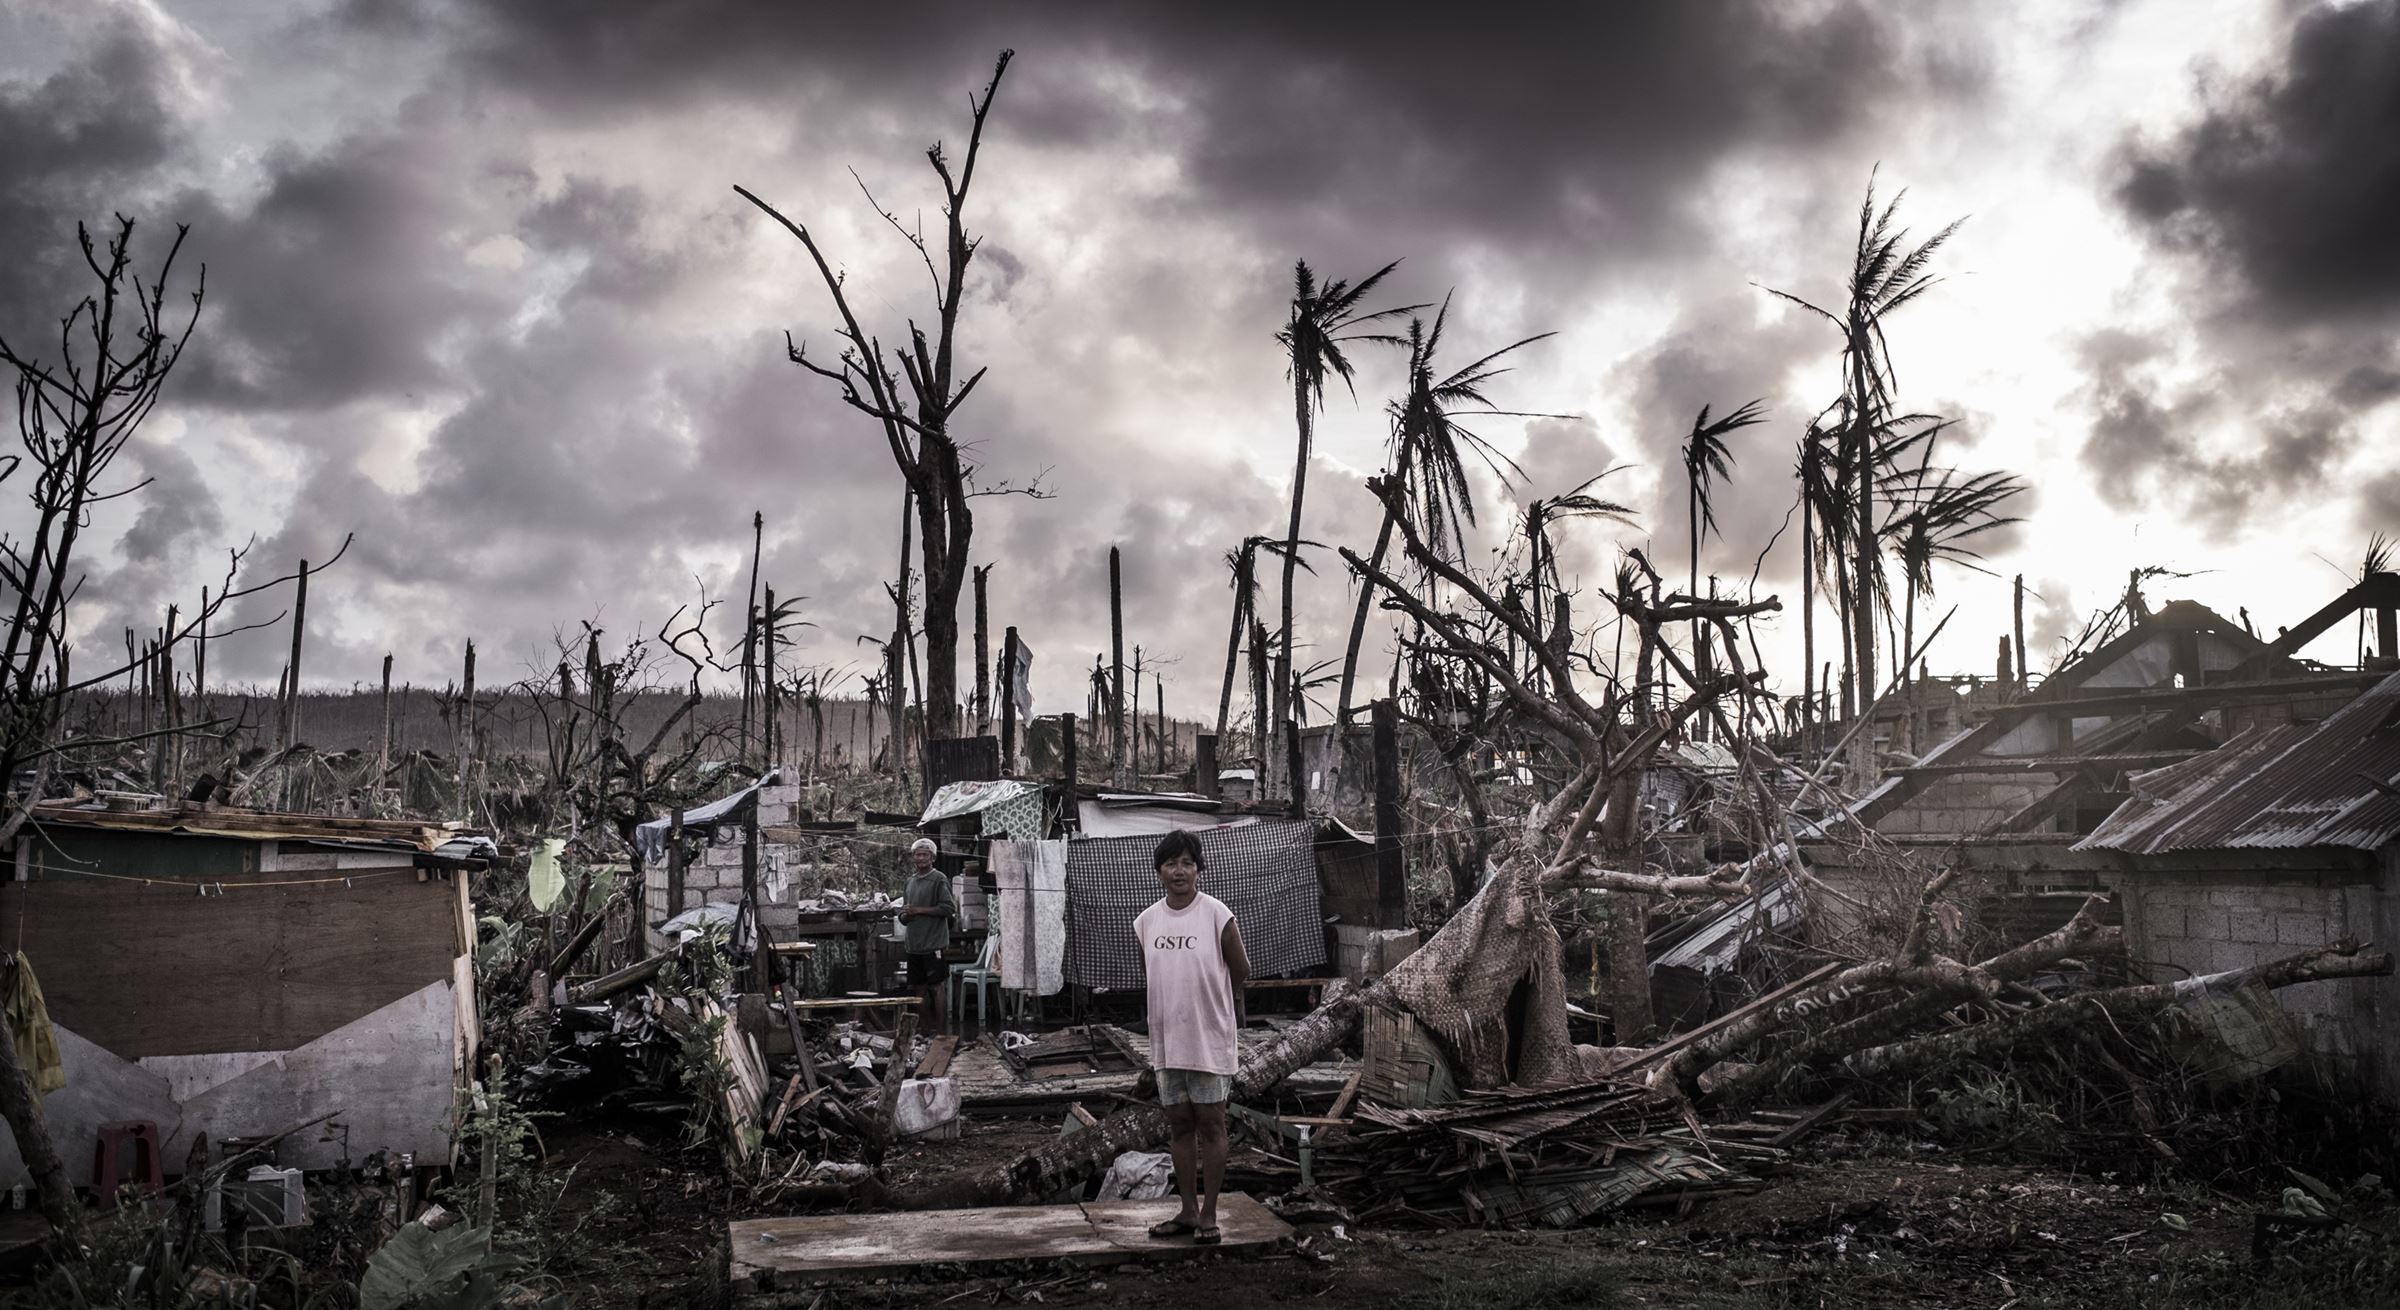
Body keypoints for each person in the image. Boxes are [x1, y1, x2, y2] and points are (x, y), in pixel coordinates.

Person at [1136, 828, 1249, 1245]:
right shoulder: (1146, 921)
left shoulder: (1217, 914)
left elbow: (1241, 971)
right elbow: (1155, 976)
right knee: (1180, 1126)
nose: (1178, 871)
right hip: (1167, 1043)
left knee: (1212, 1125)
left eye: (1186, 862)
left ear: (1199, 869)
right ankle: (1186, 1211)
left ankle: (1210, 1216)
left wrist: (1212, 1007)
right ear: (1159, 871)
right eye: (1170, 863)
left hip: (1209, 1040)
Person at [899, 837, 958, 1034]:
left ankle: (941, 1033)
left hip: (933, 944)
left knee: (936, 987)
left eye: (925, 854)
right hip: (914, 944)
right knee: (919, 989)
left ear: (932, 857)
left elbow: (948, 909)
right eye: (918, 854)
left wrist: (919, 911)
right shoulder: (910, 881)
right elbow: (905, 914)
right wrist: (905, 915)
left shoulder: (938, 878)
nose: (921, 858)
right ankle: (925, 1030)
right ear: (913, 858)